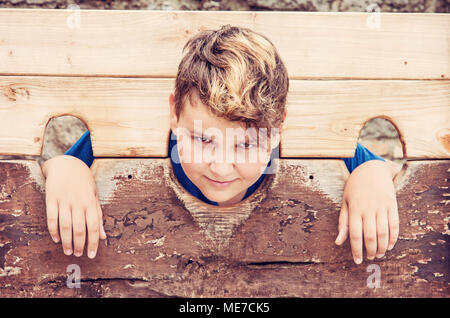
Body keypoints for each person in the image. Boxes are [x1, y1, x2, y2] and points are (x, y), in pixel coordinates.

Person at [41, 25, 400, 265]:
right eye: (201, 139)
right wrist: (65, 167)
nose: (221, 166)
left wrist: (371, 174)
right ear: (174, 113)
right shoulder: (123, 143)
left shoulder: (327, 147)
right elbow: (53, 173)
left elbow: (375, 171)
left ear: (278, 129)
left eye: (245, 146)